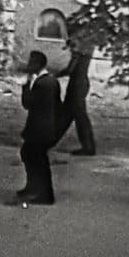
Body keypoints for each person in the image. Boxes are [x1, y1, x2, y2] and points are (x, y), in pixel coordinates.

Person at [17, 50, 61, 205]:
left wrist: (25, 85)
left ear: (38, 64)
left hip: (39, 128)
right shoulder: (52, 81)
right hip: (46, 127)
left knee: (37, 159)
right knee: (30, 155)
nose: (29, 65)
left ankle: (44, 194)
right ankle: (33, 187)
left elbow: (27, 103)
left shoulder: (42, 84)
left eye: (31, 62)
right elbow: (58, 105)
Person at [56, 35, 96, 156]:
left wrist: (54, 74)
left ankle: (88, 147)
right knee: (69, 114)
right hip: (81, 82)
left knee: (76, 115)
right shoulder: (89, 44)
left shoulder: (79, 47)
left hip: (76, 84)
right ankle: (88, 146)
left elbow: (70, 69)